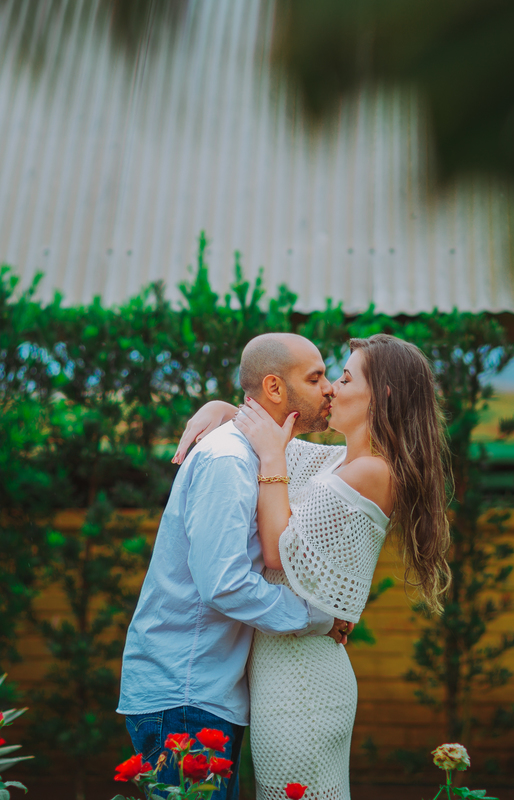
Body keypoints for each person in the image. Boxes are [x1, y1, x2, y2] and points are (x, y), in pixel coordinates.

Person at [173, 333, 453, 800]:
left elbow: (277, 550)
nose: (331, 389)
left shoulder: (372, 473)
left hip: (302, 687)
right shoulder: (342, 460)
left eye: (344, 378)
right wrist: (222, 408)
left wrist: (271, 455)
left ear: (380, 395)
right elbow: (267, 427)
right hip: (284, 677)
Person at [117, 333, 353, 800]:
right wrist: (317, 616)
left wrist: (222, 406)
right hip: (184, 695)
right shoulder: (227, 460)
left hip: (204, 693)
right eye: (316, 376)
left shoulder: (260, 453)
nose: (328, 387)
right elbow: (222, 584)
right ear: (273, 387)